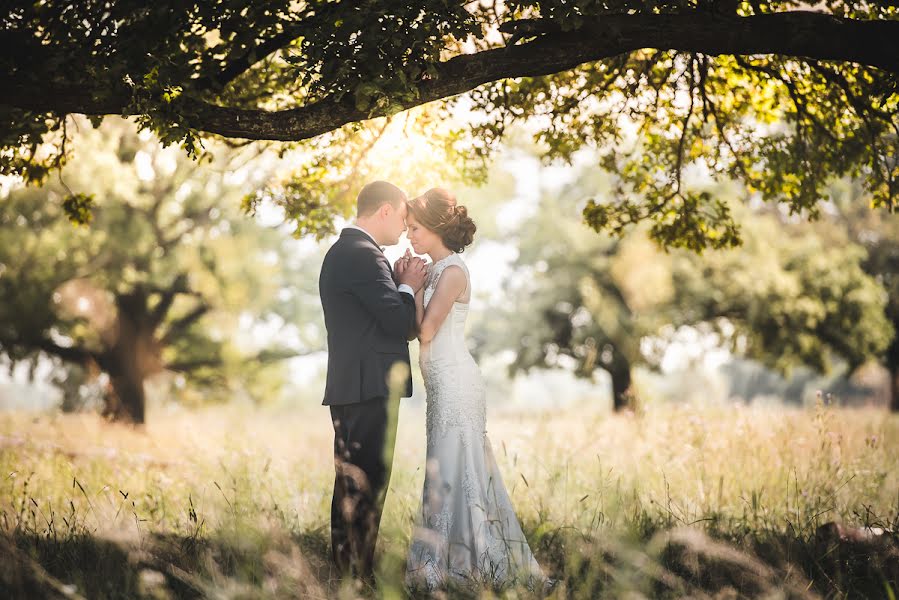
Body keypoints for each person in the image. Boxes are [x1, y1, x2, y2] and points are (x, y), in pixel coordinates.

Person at [400, 187, 546, 591]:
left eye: (414, 228)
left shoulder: (452, 272)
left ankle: (467, 561)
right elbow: (414, 330)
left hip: (457, 383)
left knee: (456, 469)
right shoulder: (431, 270)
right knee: (444, 468)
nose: (409, 235)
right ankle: (450, 559)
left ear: (433, 227)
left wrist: (410, 288)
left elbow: (426, 330)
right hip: (440, 385)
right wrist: (410, 282)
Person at [318, 180, 428, 581]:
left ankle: (348, 572)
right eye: (401, 218)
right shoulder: (364, 255)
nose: (403, 229)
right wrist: (408, 286)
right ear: (384, 211)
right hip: (369, 388)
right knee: (366, 482)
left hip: (353, 386)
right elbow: (400, 322)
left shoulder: (346, 252)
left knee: (351, 481)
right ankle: (356, 575)